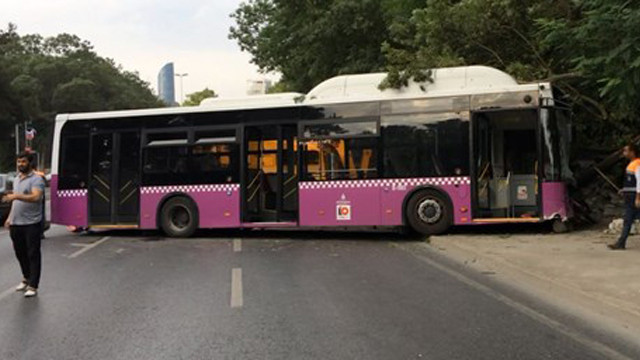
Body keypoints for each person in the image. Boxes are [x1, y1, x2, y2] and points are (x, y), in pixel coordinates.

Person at [2, 152, 46, 297]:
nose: (20, 164)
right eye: (19, 162)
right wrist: (9, 217)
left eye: (23, 162)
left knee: (33, 253)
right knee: (20, 253)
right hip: (16, 223)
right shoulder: (17, 179)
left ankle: (33, 285)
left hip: (31, 223)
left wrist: (16, 196)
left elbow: (36, 197)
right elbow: (15, 202)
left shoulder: (36, 179)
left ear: (30, 163)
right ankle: (26, 278)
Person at [608, 143, 640, 250]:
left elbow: (639, 182)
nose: (624, 153)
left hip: (633, 196)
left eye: (626, 151)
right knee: (628, 219)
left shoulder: (637, 164)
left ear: (632, 152)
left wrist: (637, 197)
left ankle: (621, 242)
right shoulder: (632, 164)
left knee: (628, 219)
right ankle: (621, 242)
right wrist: (625, 190)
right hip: (630, 195)